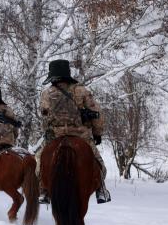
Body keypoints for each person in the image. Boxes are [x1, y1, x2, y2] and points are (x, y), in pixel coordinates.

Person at [36, 59, 111, 204]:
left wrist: (47, 130)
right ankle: (101, 190)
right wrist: (97, 133)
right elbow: (97, 113)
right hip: (81, 135)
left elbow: (44, 118)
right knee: (99, 163)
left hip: (55, 135)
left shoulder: (46, 94)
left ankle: (44, 190)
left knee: (40, 161)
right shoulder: (82, 90)